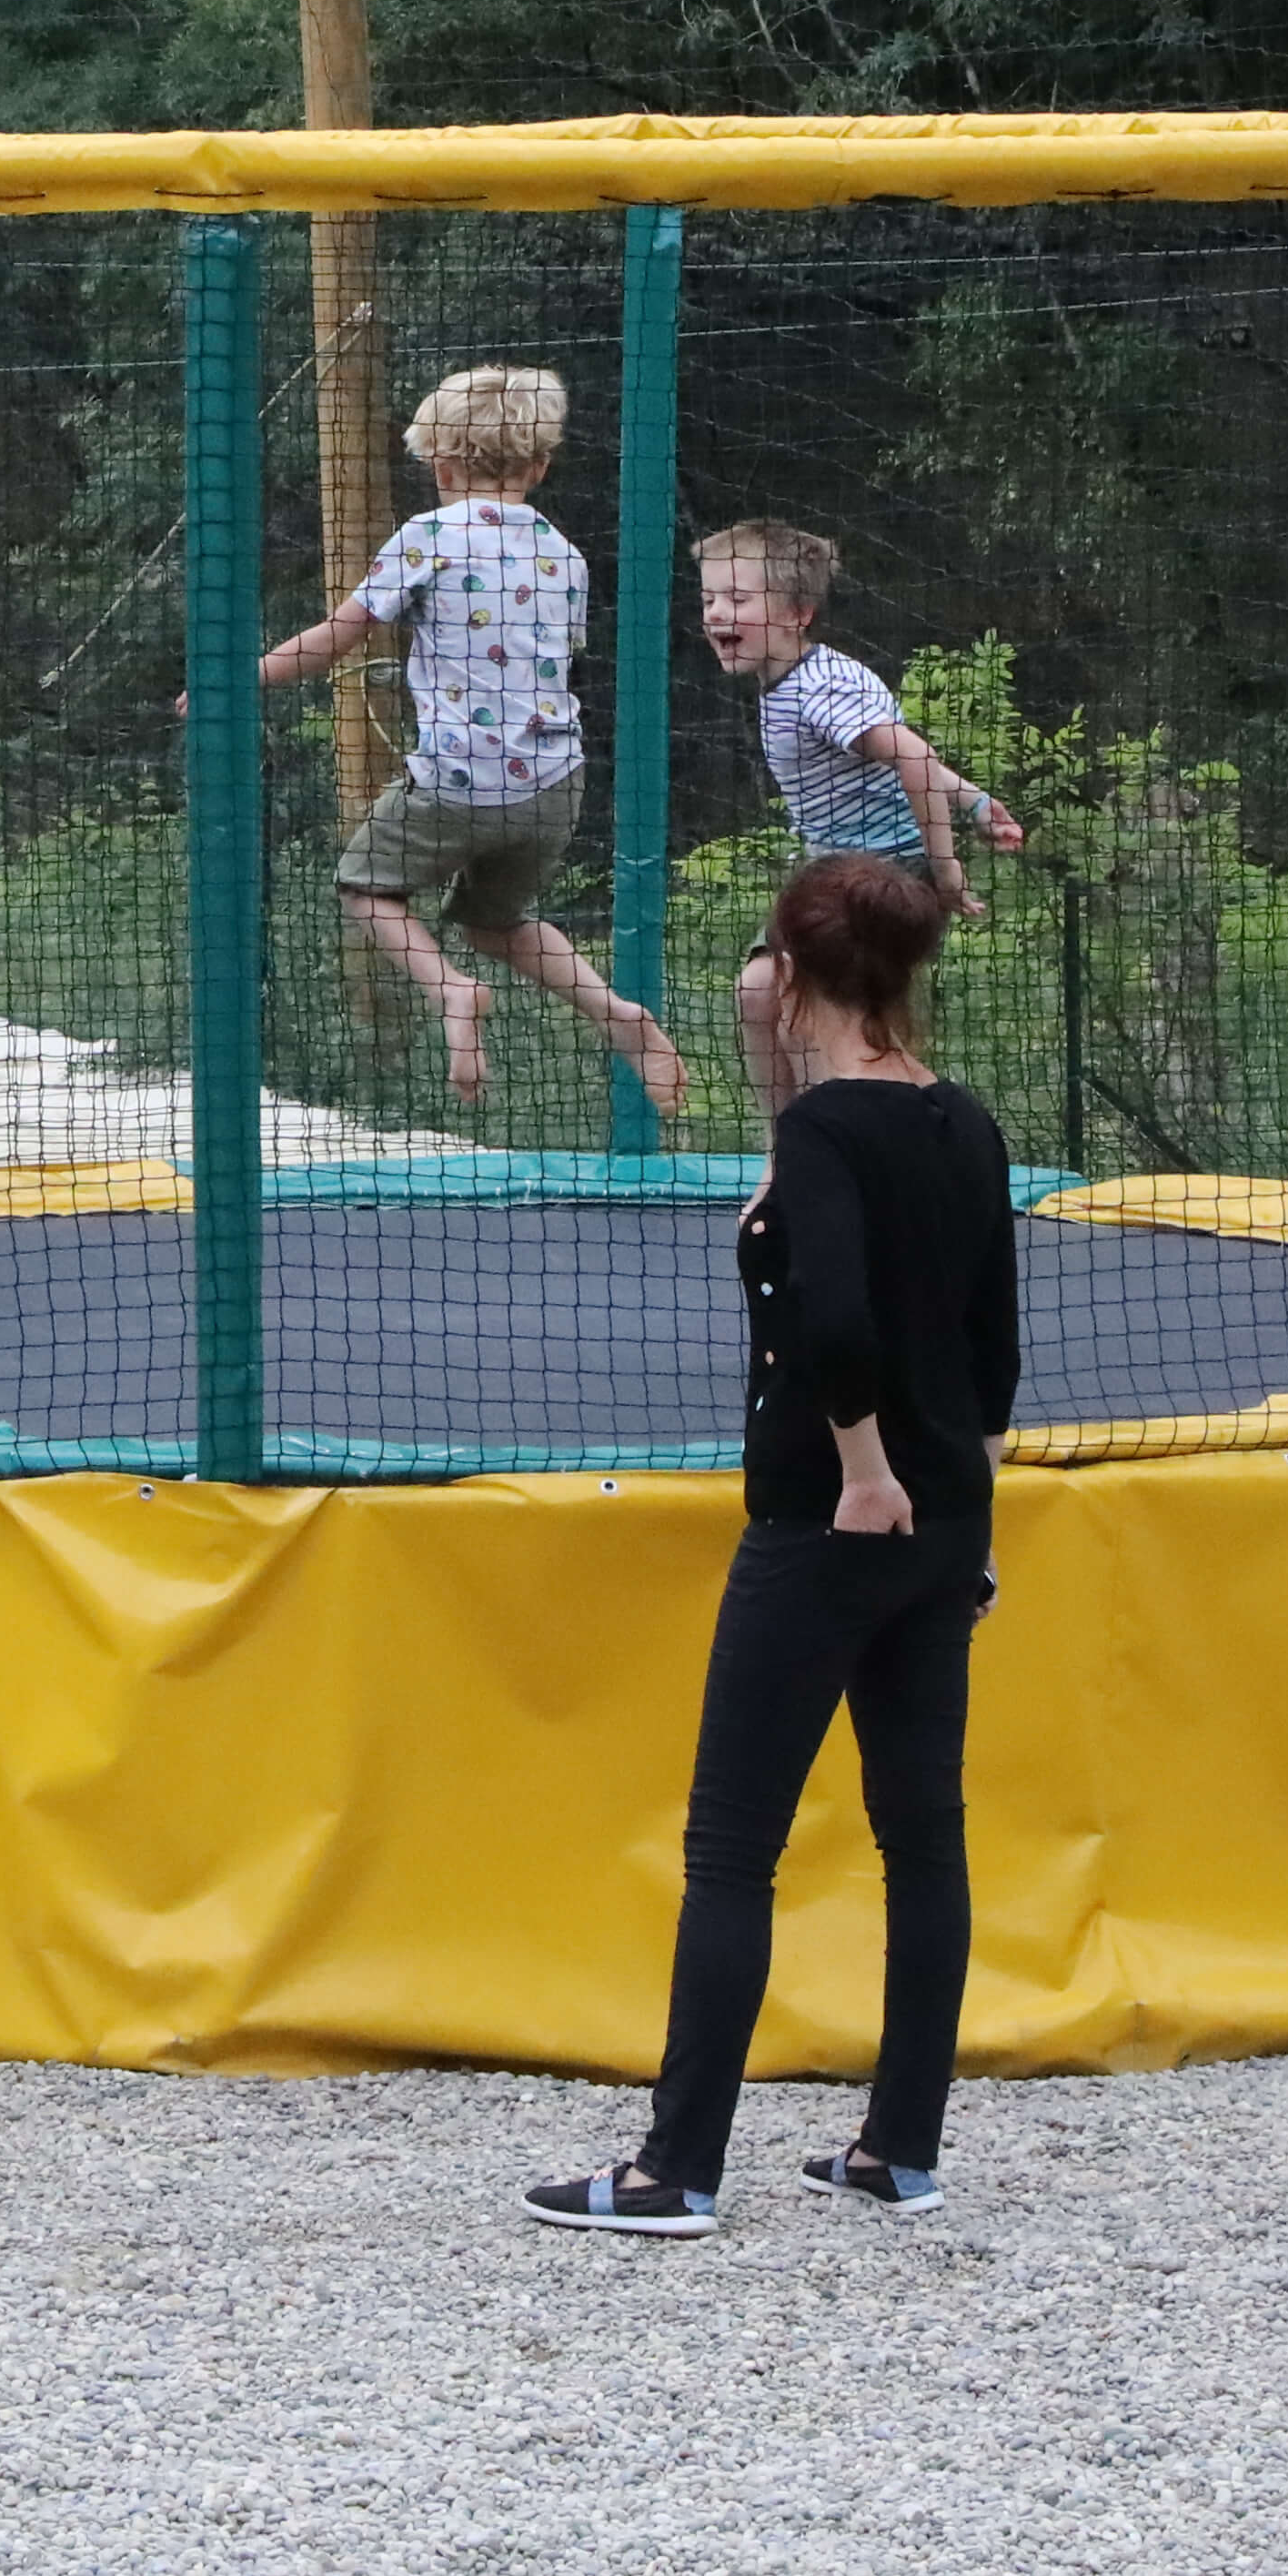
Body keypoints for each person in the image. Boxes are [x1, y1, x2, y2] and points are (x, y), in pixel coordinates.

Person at [529, 854, 1020, 2238]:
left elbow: (833, 1322)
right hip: (943, 1534)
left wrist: (861, 1468)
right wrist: (966, 1513)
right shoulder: (962, 1122)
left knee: (732, 1847)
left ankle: (673, 2170)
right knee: (923, 1836)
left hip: (830, 1522)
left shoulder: (826, 1140)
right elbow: (996, 1347)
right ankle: (899, 2147)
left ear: (797, 973)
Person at [253, 363, 689, 1122]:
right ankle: (620, 1015)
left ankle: (449, 989)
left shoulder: (426, 536)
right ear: (541, 465)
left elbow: (338, 638)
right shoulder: (565, 554)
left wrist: (239, 680)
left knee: (365, 887)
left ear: (441, 465)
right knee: (496, 923)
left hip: (459, 779)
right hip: (554, 784)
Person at [695, 520, 1023, 1111]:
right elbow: (902, 757)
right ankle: (789, 1148)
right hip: (839, 872)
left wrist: (944, 870)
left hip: (885, 876)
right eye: (709, 598)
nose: (717, 613)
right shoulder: (790, 682)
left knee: (803, 1010)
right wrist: (973, 801)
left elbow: (914, 756)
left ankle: (838, 1141)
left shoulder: (821, 688)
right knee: (759, 991)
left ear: (797, 614)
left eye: (738, 599)